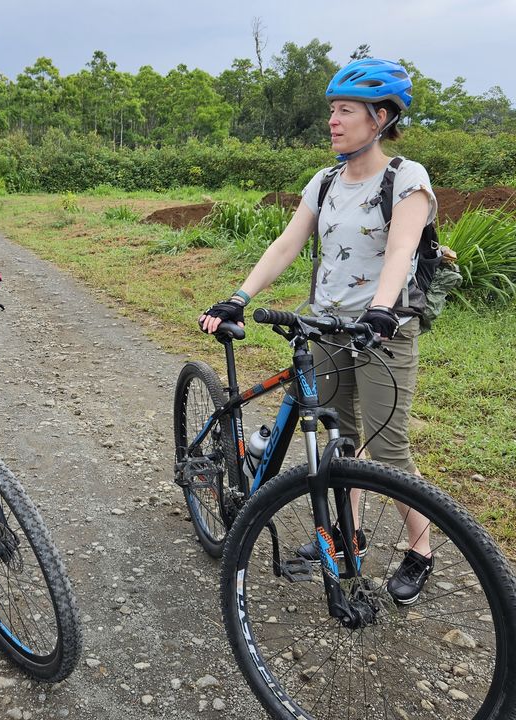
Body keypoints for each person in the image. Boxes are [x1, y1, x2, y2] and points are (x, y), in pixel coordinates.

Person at [200, 58, 438, 605]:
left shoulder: (406, 179)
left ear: (380, 118)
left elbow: (401, 250)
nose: (333, 120)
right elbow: (287, 243)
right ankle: (347, 534)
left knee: (388, 447)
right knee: (340, 439)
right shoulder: (325, 180)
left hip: (383, 331)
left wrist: (381, 309)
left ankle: (420, 549)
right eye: (332, 110)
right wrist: (240, 296)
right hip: (326, 327)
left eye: (346, 110)